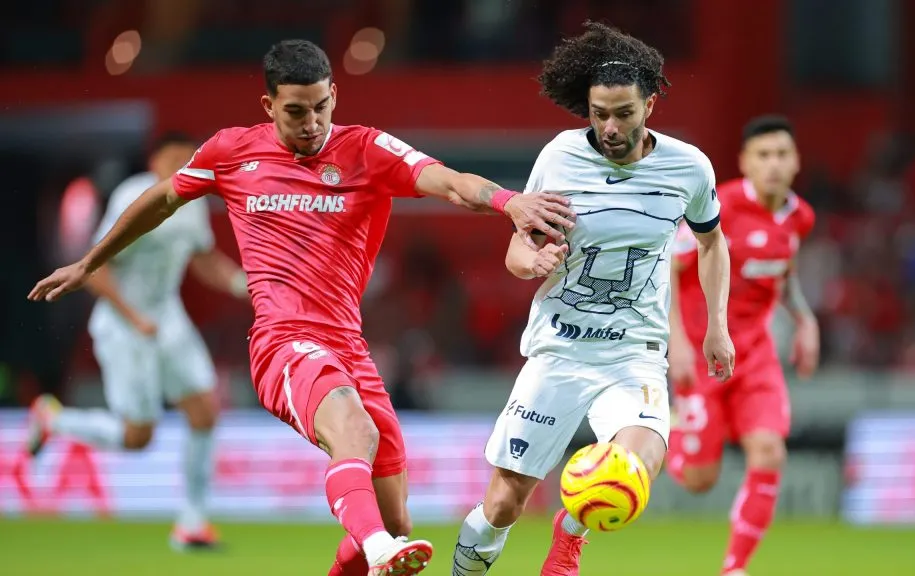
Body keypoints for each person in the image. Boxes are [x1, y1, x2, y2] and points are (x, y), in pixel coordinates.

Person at [28, 39, 574, 576]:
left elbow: (452, 183)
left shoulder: (367, 150)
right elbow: (162, 198)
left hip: (349, 347)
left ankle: (377, 543)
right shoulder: (231, 152)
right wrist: (91, 263)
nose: (312, 122)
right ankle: (377, 549)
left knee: (395, 519)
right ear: (269, 105)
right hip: (283, 342)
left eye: (321, 106)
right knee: (356, 437)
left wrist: (508, 201)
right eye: (296, 111)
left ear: (334, 95)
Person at [451, 21, 735, 576]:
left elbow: (711, 242)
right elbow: (518, 247)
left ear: (649, 105)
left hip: (634, 354)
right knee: (504, 504)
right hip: (559, 350)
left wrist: (716, 325)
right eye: (598, 113)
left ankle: (571, 533)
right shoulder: (559, 157)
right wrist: (530, 263)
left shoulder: (689, 167)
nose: (609, 127)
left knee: (636, 467)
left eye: (623, 113)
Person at [25, 131, 248, 550]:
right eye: (175, 158)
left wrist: (242, 284)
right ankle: (53, 419)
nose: (183, 165)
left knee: (204, 412)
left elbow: (203, 258)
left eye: (189, 158)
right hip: (124, 324)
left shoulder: (193, 201)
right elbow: (95, 266)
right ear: (154, 162)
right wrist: (134, 318)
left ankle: (193, 523)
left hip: (168, 319)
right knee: (137, 438)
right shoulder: (134, 196)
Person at [665, 115, 818, 576]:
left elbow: (783, 274)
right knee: (698, 480)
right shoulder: (717, 207)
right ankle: (669, 427)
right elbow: (669, 266)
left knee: (770, 451)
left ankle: (734, 569)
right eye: (763, 155)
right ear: (745, 163)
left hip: (755, 354)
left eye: (782, 154)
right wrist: (676, 342)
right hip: (702, 352)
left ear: (797, 161)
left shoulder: (800, 217)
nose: (773, 164)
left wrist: (805, 319)